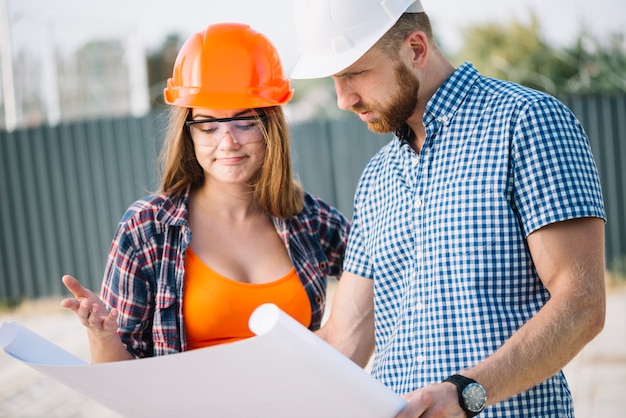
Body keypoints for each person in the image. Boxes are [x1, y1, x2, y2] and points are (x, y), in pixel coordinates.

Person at [290, 0, 606, 417]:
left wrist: (466, 393)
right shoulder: (377, 177)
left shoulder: (526, 122)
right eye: (336, 79)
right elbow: (345, 338)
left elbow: (581, 304)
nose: (343, 99)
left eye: (354, 73)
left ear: (416, 49)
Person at [61, 22, 349, 363]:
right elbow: (121, 383)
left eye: (245, 122)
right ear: (189, 133)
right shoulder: (147, 230)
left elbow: (385, 281)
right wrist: (103, 337)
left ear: (271, 126)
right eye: (209, 125)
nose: (228, 142)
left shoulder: (310, 220)